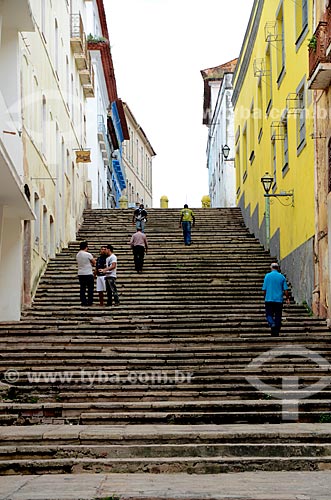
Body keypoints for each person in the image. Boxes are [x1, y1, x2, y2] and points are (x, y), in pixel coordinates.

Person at [262, 262, 290, 337]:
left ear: (271, 268)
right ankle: (276, 329)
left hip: (269, 299)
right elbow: (286, 290)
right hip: (278, 300)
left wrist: (265, 297)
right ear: (278, 268)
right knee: (278, 315)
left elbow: (264, 289)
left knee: (269, 314)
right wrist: (287, 298)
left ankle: (272, 324)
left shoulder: (267, 276)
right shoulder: (281, 277)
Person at [76, 241, 96, 307]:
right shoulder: (88, 254)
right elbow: (94, 262)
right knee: (90, 288)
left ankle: (83, 302)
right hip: (88, 273)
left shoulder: (78, 254)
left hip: (81, 273)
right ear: (86, 247)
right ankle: (90, 302)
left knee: (82, 288)